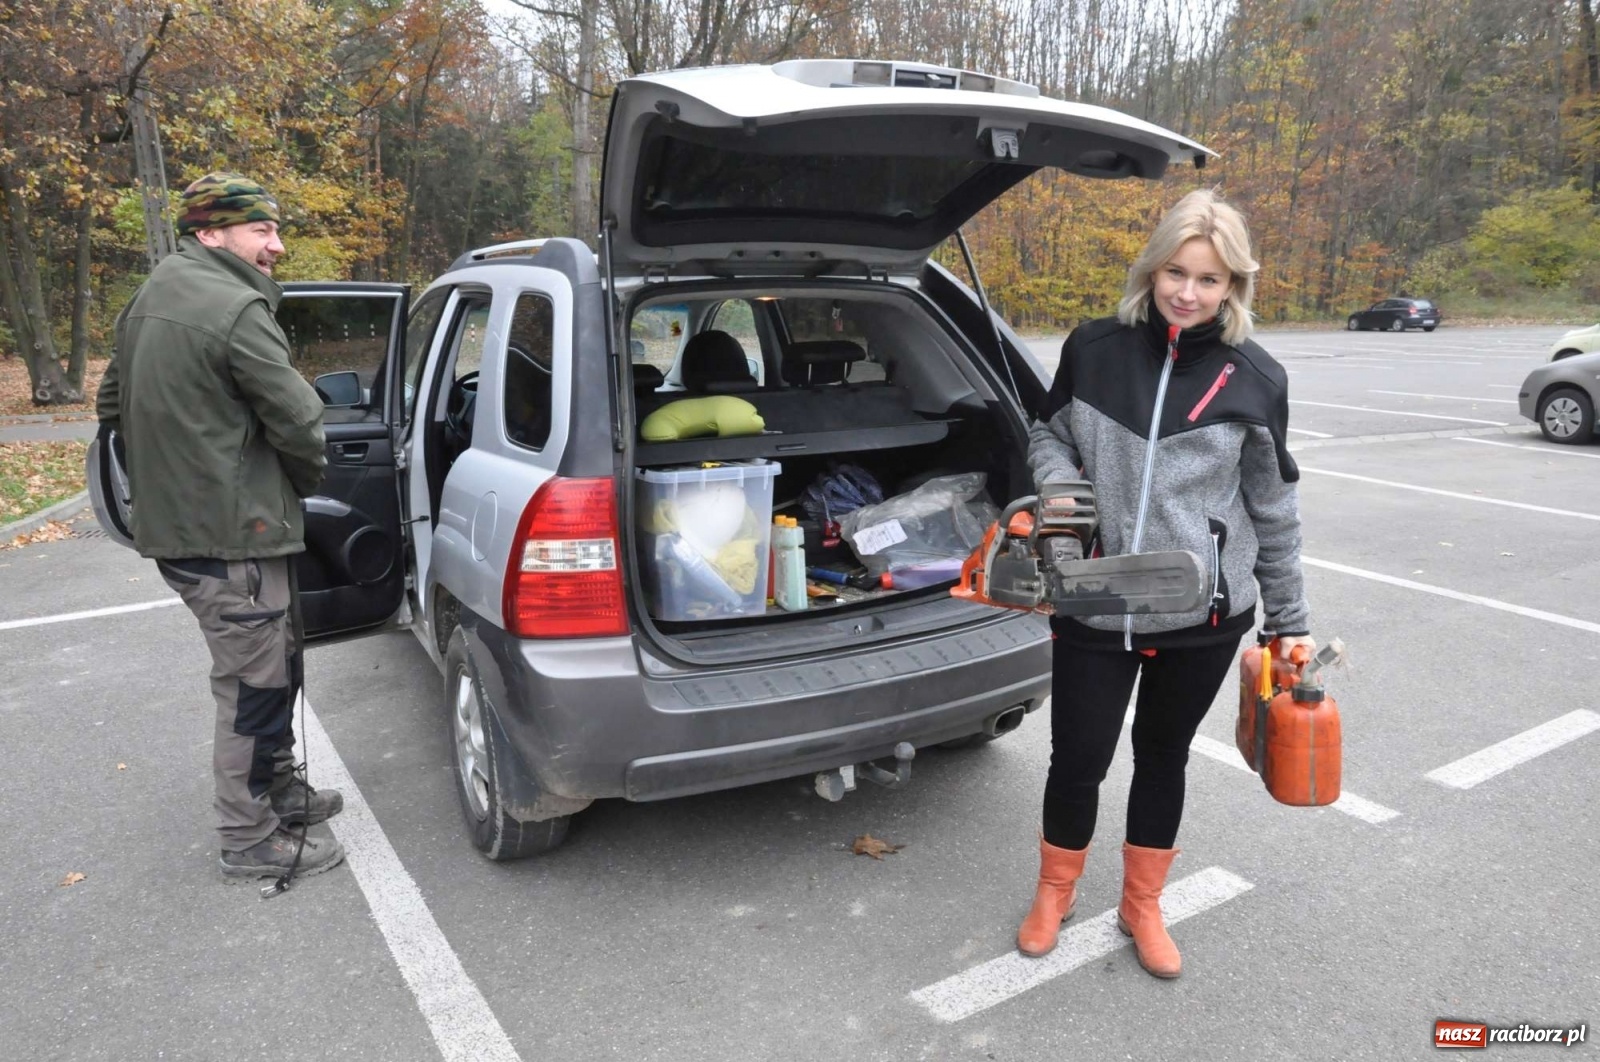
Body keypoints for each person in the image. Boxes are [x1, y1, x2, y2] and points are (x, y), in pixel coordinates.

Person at [1019, 188, 1313, 977]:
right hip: (1099, 596)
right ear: (1152, 270)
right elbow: (1044, 432)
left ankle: (1142, 904)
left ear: (1234, 288)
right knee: (1077, 757)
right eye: (1176, 272)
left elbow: (1273, 508)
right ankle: (1055, 889)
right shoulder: (1094, 348)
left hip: (1205, 612)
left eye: (1210, 279)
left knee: (1163, 756)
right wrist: (1057, 481)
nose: (1189, 292)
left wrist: (1289, 623)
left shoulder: (1255, 376)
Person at [96, 172, 347, 883]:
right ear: (211, 234)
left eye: (273, 229)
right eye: (261, 230)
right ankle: (247, 835)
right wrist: (301, 482)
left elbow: (111, 402)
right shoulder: (235, 305)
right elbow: (299, 417)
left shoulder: (151, 297)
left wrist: (174, 466)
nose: (277, 244)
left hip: (182, 531)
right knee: (253, 684)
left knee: (272, 660)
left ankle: (279, 789)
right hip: (231, 533)